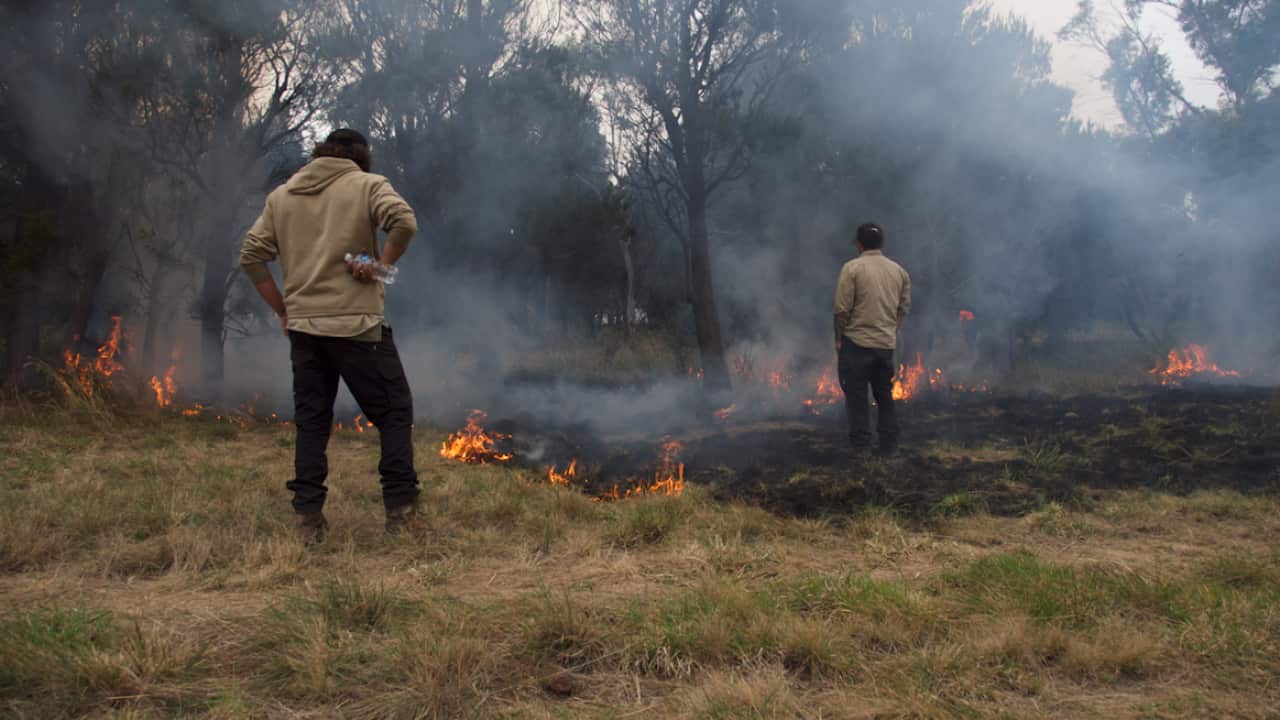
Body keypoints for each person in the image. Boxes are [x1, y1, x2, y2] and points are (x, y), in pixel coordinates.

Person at [240, 128, 423, 542]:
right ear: (362, 158)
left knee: (312, 422)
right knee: (394, 414)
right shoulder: (367, 184)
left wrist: (284, 310)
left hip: (305, 329)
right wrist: (380, 266)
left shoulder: (282, 196)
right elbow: (405, 222)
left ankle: (307, 521)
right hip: (357, 325)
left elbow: (251, 256)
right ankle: (402, 514)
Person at [832, 223, 912, 456]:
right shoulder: (899, 271)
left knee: (857, 397)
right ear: (882, 244)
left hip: (856, 344)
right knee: (884, 395)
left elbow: (841, 310)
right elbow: (903, 309)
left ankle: (862, 447)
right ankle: (889, 445)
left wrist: (838, 340)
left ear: (858, 244)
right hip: (884, 345)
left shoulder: (852, 268)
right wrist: (889, 331)